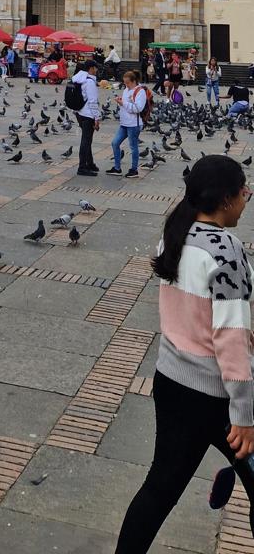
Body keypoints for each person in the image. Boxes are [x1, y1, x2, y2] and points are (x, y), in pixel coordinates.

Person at [115, 156, 254, 553]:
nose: (246, 201)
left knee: (160, 488)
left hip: (172, 382)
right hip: (220, 397)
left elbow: (196, 312)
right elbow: (228, 340)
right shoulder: (227, 252)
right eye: (244, 193)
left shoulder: (175, 235)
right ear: (226, 199)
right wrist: (244, 416)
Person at [108, 69, 146, 178]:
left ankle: (134, 170)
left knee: (133, 147)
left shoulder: (140, 91)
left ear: (134, 81)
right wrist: (121, 102)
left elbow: (138, 108)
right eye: (124, 83)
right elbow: (125, 105)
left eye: (127, 83)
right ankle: (117, 168)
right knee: (115, 143)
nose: (126, 85)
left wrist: (123, 103)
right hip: (124, 123)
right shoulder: (126, 90)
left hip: (134, 124)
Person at [72, 58, 100, 176]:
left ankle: (90, 163)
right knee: (86, 141)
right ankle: (82, 167)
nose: (96, 70)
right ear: (91, 69)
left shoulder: (78, 79)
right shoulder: (89, 82)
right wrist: (97, 118)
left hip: (79, 113)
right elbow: (93, 102)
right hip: (88, 115)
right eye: (95, 68)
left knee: (87, 140)